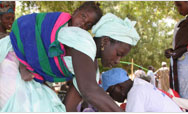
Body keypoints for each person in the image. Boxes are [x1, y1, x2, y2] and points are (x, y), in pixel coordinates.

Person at [0, 12, 140, 112]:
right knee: (19, 106)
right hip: (13, 56)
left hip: (29, 74)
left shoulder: (92, 72)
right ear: (105, 41)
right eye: (118, 54)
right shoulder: (82, 39)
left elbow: (69, 108)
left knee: (51, 108)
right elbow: (89, 90)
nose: (117, 61)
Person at [0, 1, 103, 111]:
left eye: (88, 25)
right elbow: (32, 25)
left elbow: (49, 59)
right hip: (19, 46)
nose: (82, 24)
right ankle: (23, 65)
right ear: (75, 11)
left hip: (33, 72)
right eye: (83, 17)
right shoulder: (56, 21)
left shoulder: (75, 42)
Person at [101, 68, 182, 112]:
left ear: (120, 87)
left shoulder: (135, 93)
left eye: (110, 92)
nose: (111, 97)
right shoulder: (139, 83)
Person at [165, 1, 188, 99]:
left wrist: (183, 50)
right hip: (180, 69)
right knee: (181, 98)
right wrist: (171, 51)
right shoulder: (180, 24)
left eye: (179, 5)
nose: (178, 9)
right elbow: (176, 47)